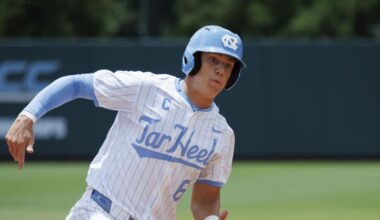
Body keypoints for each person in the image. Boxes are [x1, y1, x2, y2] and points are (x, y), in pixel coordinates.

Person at [5, 25, 246, 220]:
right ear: (192, 59)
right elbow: (76, 84)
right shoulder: (147, 89)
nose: (220, 70)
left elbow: (205, 200)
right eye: (213, 59)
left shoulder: (222, 134)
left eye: (228, 65)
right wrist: (28, 116)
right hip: (101, 212)